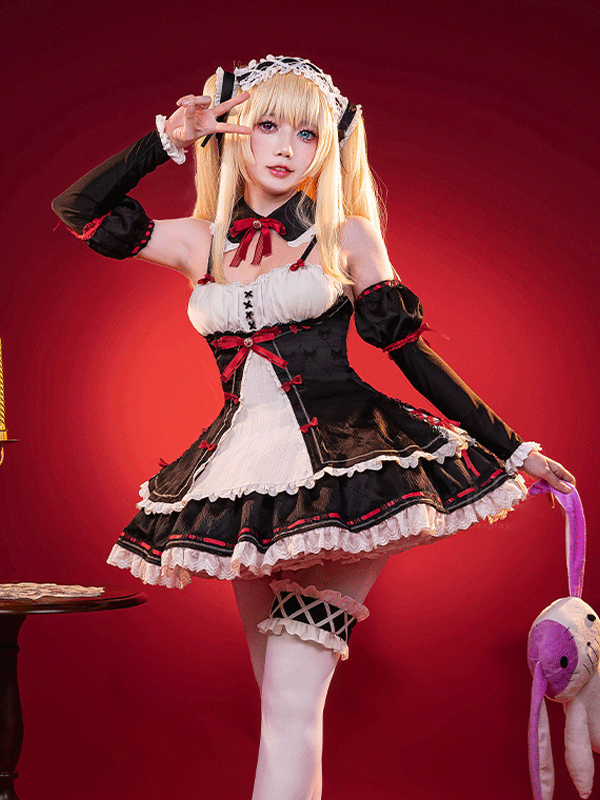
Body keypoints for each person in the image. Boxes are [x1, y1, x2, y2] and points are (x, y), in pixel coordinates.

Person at [52, 55, 574, 800]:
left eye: (306, 132)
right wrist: (168, 140)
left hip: (345, 475)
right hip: (244, 484)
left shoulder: (345, 234)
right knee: (282, 712)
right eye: (267, 125)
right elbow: (81, 211)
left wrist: (511, 447)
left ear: (327, 147)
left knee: (291, 707)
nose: (285, 147)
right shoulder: (201, 242)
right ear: (235, 133)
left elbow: (410, 353)